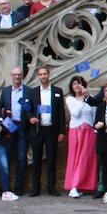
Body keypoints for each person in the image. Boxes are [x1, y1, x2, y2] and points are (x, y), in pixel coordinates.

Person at [0, 67, 36, 195]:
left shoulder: (28, 91)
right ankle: (6, 186)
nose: (17, 77)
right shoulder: (5, 91)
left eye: (19, 75)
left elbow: (30, 108)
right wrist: (5, 114)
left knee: (21, 157)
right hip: (9, 126)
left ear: (22, 76)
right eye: (15, 75)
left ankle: (19, 187)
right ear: (11, 76)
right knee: (7, 157)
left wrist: (31, 117)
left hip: (22, 127)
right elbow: (0, 108)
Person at [31, 65, 66, 197]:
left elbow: (62, 112)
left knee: (51, 160)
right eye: (40, 74)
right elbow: (28, 109)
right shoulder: (33, 92)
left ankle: (51, 187)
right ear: (38, 76)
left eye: (45, 74)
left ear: (48, 75)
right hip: (37, 130)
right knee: (36, 160)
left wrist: (62, 131)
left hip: (52, 130)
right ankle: (36, 188)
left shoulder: (57, 91)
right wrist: (31, 118)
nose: (43, 76)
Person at [64, 75, 100, 198]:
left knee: (86, 159)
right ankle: (73, 186)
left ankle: (83, 185)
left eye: (79, 83)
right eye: (74, 84)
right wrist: (81, 98)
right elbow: (75, 113)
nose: (77, 86)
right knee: (76, 158)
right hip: (76, 131)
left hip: (88, 131)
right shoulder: (71, 99)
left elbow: (94, 113)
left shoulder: (89, 99)